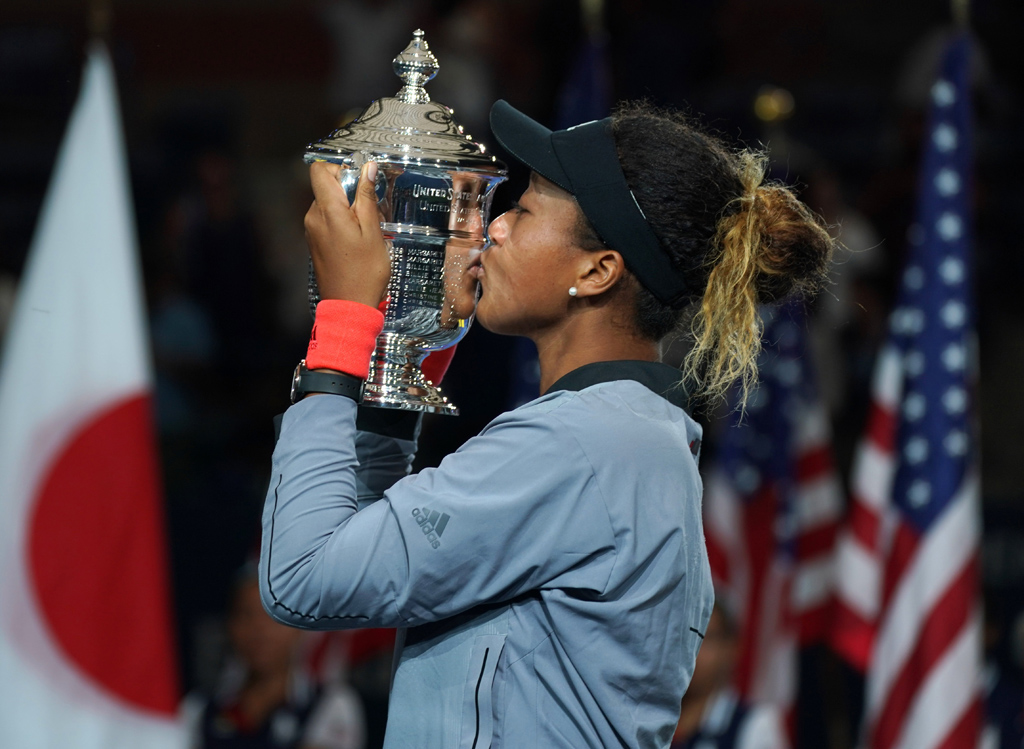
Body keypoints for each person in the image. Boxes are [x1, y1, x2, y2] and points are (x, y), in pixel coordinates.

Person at [258, 99, 833, 748]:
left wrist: (341, 320)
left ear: (597, 270)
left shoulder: (583, 444)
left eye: (524, 210)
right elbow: (359, 561)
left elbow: (302, 575)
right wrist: (407, 345)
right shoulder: (624, 435)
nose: (495, 229)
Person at [183, 565, 365, 749]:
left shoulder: (332, 704)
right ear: (229, 625)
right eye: (246, 614)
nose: (259, 630)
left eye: (273, 616)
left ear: (299, 627)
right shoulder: (198, 709)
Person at [671, 603, 789, 749]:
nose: (692, 651)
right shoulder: (646, 716)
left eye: (705, 638)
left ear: (730, 648)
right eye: (684, 637)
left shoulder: (754, 726)